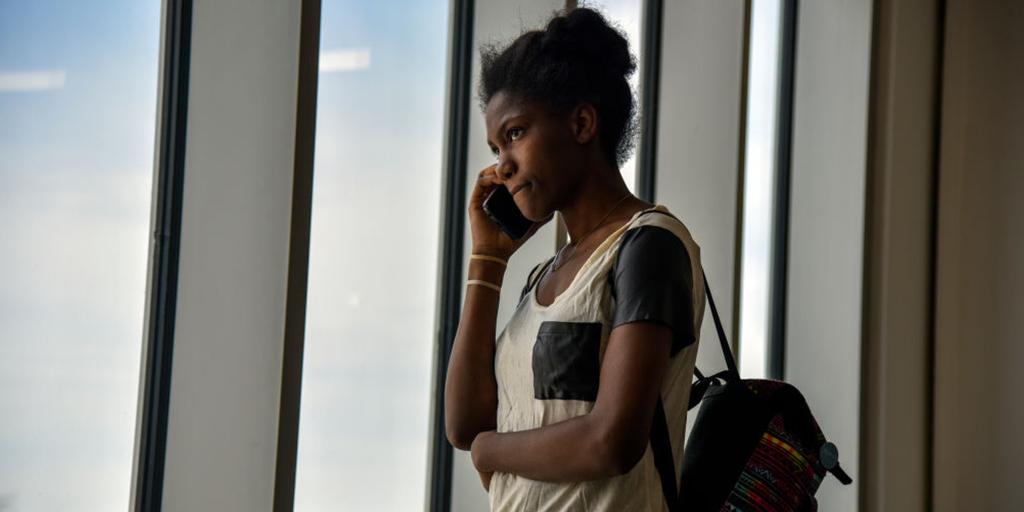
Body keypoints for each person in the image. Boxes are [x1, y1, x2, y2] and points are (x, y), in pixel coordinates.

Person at [444, 7, 706, 511]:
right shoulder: (546, 274)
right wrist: (487, 261)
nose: (502, 166)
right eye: (496, 147)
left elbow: (611, 441)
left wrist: (491, 449)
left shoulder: (649, 245)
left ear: (582, 123)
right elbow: (464, 424)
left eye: (516, 133)